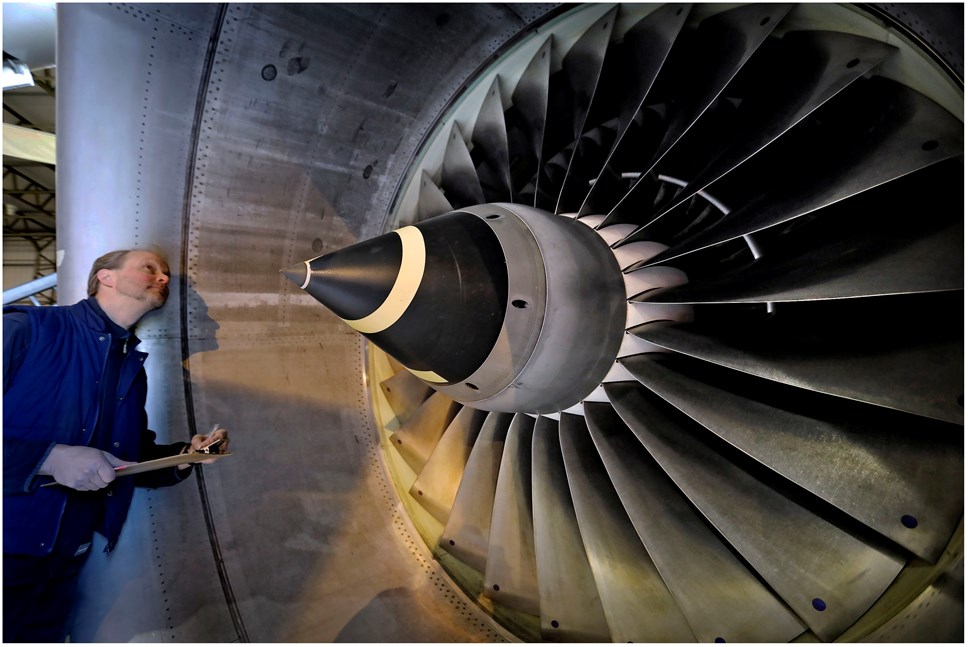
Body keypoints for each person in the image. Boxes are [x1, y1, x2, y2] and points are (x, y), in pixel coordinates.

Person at [2, 248, 230, 642]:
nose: (163, 278)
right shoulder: (26, 329)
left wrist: (187, 456)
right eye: (149, 268)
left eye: (165, 273)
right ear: (105, 277)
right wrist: (51, 459)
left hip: (62, 560)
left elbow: (129, 457)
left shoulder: (128, 367)